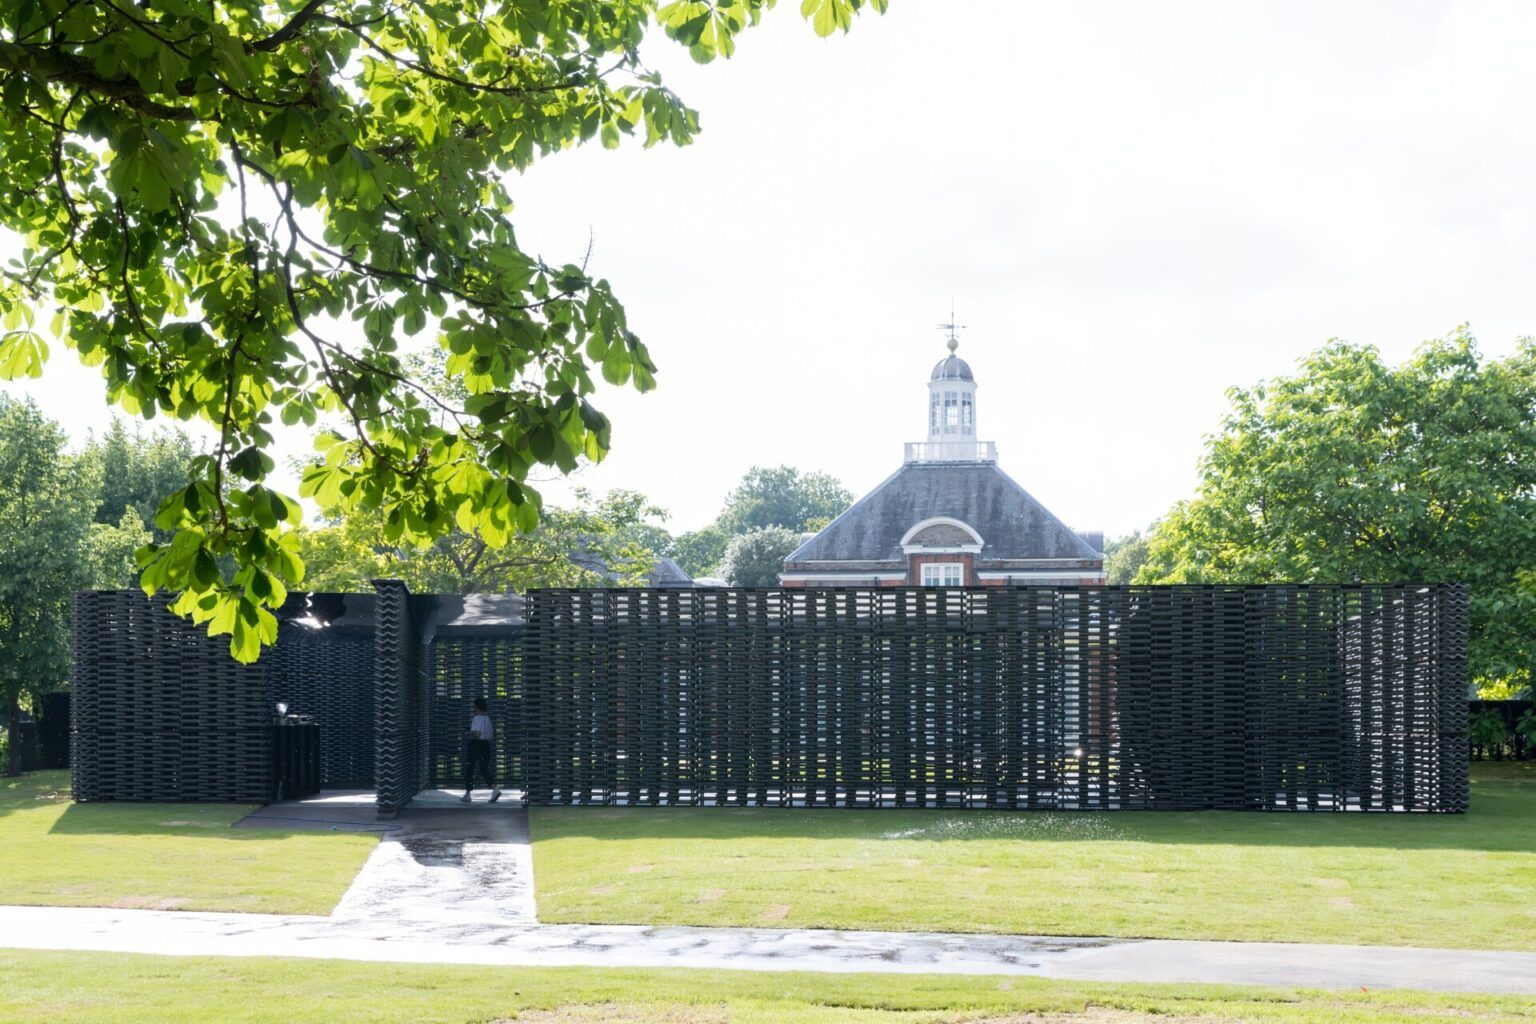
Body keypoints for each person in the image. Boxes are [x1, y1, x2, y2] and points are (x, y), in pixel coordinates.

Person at [461, 696, 501, 803]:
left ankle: (468, 794)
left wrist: (468, 733)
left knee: (470, 768)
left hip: (475, 745)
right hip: (486, 745)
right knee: (484, 769)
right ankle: (495, 788)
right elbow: (492, 735)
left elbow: (477, 734)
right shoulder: (488, 719)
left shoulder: (476, 718)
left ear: (476, 707)